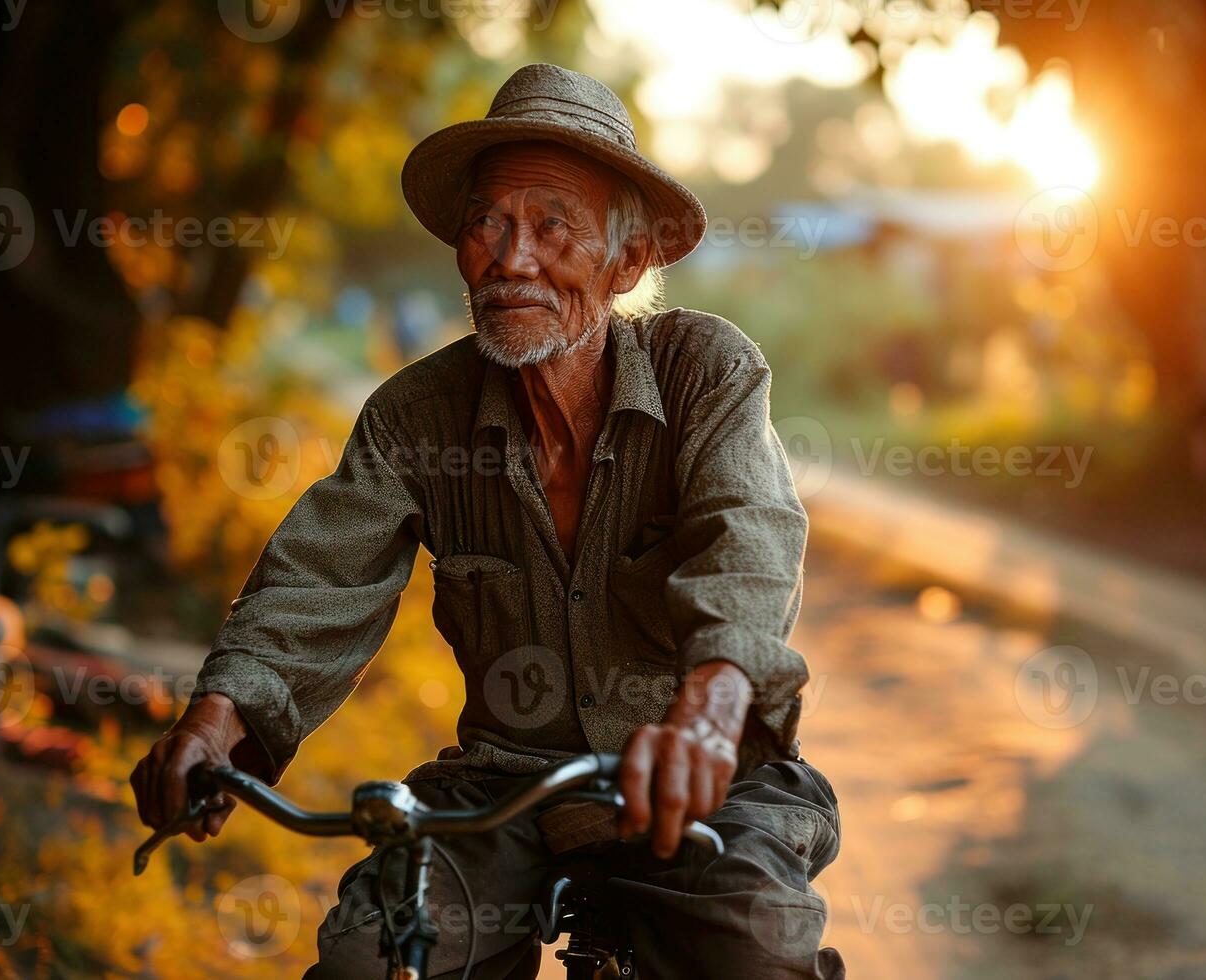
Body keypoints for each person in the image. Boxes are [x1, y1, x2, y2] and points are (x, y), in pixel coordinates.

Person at [132, 63, 842, 979]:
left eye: (553, 227)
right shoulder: (416, 416)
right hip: (505, 788)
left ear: (626, 263)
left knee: (753, 951)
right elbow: (317, 575)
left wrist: (710, 710)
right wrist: (219, 719)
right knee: (374, 959)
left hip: (711, 783)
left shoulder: (704, 370)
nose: (511, 259)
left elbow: (749, 534)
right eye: (486, 223)